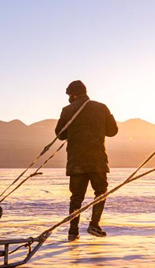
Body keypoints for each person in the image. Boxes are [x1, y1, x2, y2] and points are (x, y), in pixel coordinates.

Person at [55, 80, 118, 241]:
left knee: (76, 197)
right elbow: (113, 131)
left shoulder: (67, 110)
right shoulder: (101, 107)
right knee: (101, 192)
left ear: (73, 94)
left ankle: (73, 231)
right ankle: (94, 224)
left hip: (76, 162)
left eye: (69, 95)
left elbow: (60, 134)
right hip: (97, 160)